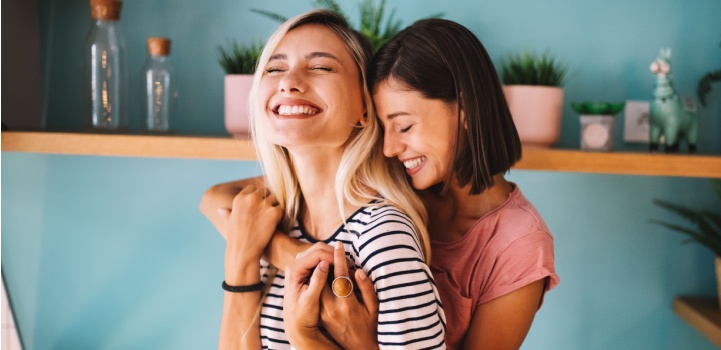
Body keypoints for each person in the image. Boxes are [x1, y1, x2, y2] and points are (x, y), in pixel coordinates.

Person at [203, 17, 559, 350]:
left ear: (464, 110)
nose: (388, 148)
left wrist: (340, 339)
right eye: (383, 125)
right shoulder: (396, 176)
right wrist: (281, 252)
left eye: (404, 126)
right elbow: (216, 198)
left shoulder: (515, 242)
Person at [205, 9, 446, 349]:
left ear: (365, 108)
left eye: (321, 67)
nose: (289, 82)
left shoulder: (383, 236)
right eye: (274, 69)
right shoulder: (274, 221)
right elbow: (212, 198)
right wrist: (248, 259)